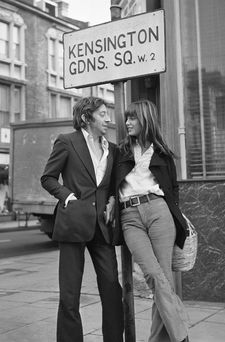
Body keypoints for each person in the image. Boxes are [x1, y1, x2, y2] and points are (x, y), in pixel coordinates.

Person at [41, 96, 124, 342]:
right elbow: (48, 178)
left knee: (111, 287)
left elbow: (113, 185)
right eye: (102, 114)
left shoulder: (114, 149)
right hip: (73, 223)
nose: (108, 119)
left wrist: (112, 200)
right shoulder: (67, 142)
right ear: (87, 118)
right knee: (70, 294)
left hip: (102, 226)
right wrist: (69, 198)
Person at [115, 99, 190, 342]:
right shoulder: (121, 151)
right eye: (127, 118)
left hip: (159, 212)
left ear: (145, 118)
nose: (127, 122)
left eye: (132, 118)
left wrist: (174, 213)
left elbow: (174, 188)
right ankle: (181, 335)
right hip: (130, 216)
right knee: (153, 276)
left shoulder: (163, 153)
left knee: (164, 279)